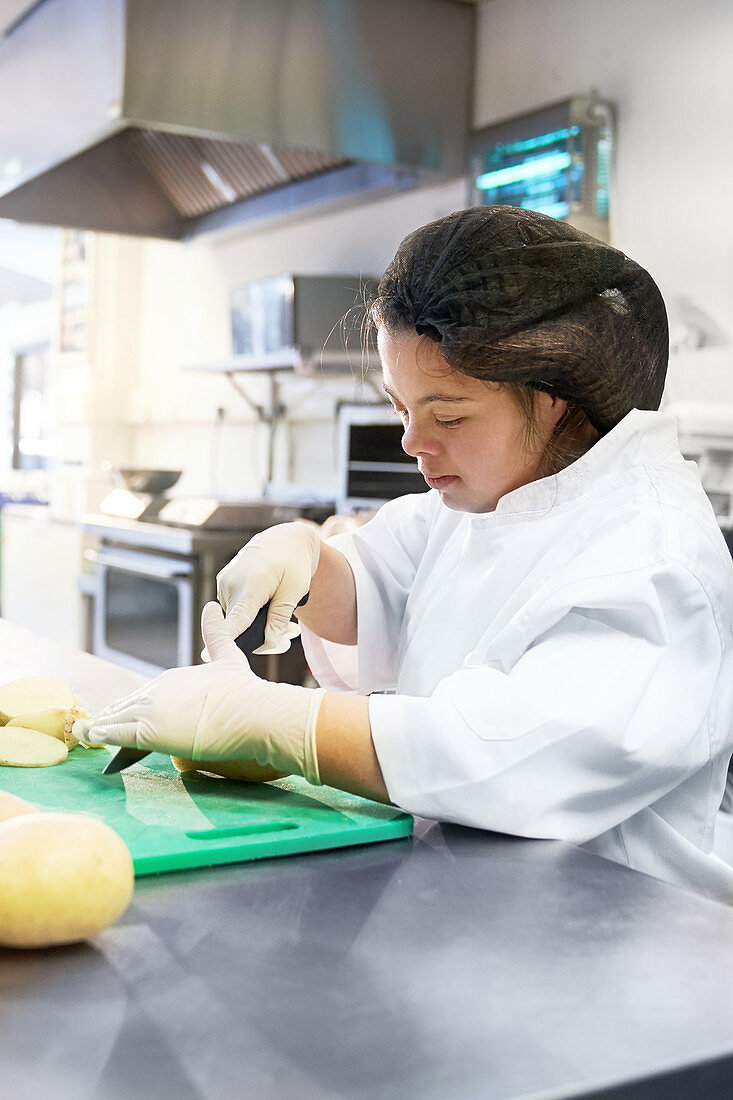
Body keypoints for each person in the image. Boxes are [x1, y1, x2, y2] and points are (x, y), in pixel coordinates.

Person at [87, 206, 733, 902]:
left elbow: (506, 756)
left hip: (610, 929)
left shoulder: (651, 559)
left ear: (553, 398)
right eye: (400, 408)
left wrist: (279, 723)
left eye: (447, 415)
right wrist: (310, 562)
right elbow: (386, 585)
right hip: (466, 892)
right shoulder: (499, 492)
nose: (411, 441)